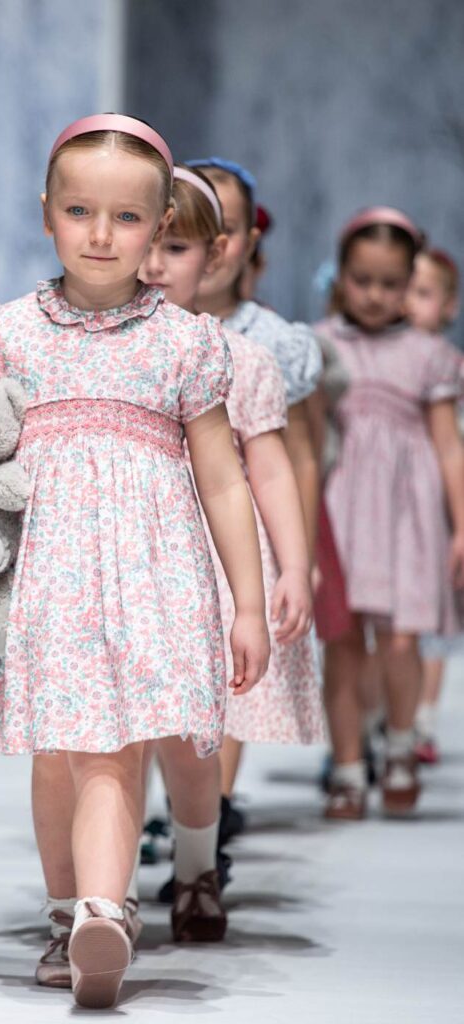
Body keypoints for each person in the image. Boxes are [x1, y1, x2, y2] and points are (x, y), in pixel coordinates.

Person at [0, 114, 270, 1010]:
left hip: (148, 573)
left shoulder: (183, 342)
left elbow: (223, 480)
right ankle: (67, 908)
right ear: (46, 215)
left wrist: (247, 603)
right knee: (59, 750)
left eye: (127, 218)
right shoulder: (9, 330)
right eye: (78, 210)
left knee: (113, 744)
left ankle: (105, 911)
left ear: (157, 225)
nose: (100, 235)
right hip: (43, 577)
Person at [139, 164, 323, 905]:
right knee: (120, 721)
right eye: (144, 242)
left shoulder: (241, 357)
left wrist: (292, 566)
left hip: (215, 561)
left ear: (215, 254)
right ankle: (99, 891)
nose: (151, 265)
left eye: (174, 248)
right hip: (126, 555)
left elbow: (271, 467)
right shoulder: (97, 346)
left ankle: (195, 864)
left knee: (197, 725)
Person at [316, 208, 464, 819]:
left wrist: (461, 524)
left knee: (401, 640)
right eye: (362, 280)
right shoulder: (321, 344)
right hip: (342, 506)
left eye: (391, 283)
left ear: (410, 283)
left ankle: (400, 745)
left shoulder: (429, 355)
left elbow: (447, 441)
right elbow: (303, 442)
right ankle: (349, 768)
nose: (376, 296)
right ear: (342, 277)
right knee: (344, 642)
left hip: (408, 513)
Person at [187, 157, 323, 823]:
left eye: (228, 228)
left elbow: (289, 455)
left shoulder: (266, 342)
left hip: (238, 528)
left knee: (229, 678)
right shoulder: (142, 329)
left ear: (242, 243)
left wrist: (297, 557)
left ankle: (207, 813)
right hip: (158, 524)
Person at [405, 248, 462, 764]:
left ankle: (421, 718)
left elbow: (453, 445)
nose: (409, 303)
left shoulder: (450, 367)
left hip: (436, 503)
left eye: (423, 294)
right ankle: (386, 717)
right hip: (387, 504)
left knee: (433, 621)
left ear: (449, 306)